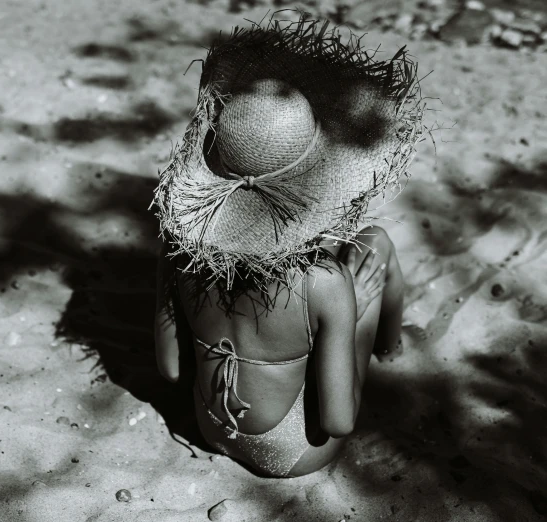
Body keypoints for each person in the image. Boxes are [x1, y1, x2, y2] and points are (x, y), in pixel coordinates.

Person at [150, 15, 426, 478]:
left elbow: (171, 370)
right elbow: (338, 421)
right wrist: (356, 310)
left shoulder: (178, 251)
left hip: (209, 427)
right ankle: (391, 346)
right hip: (291, 452)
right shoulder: (324, 283)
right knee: (375, 246)